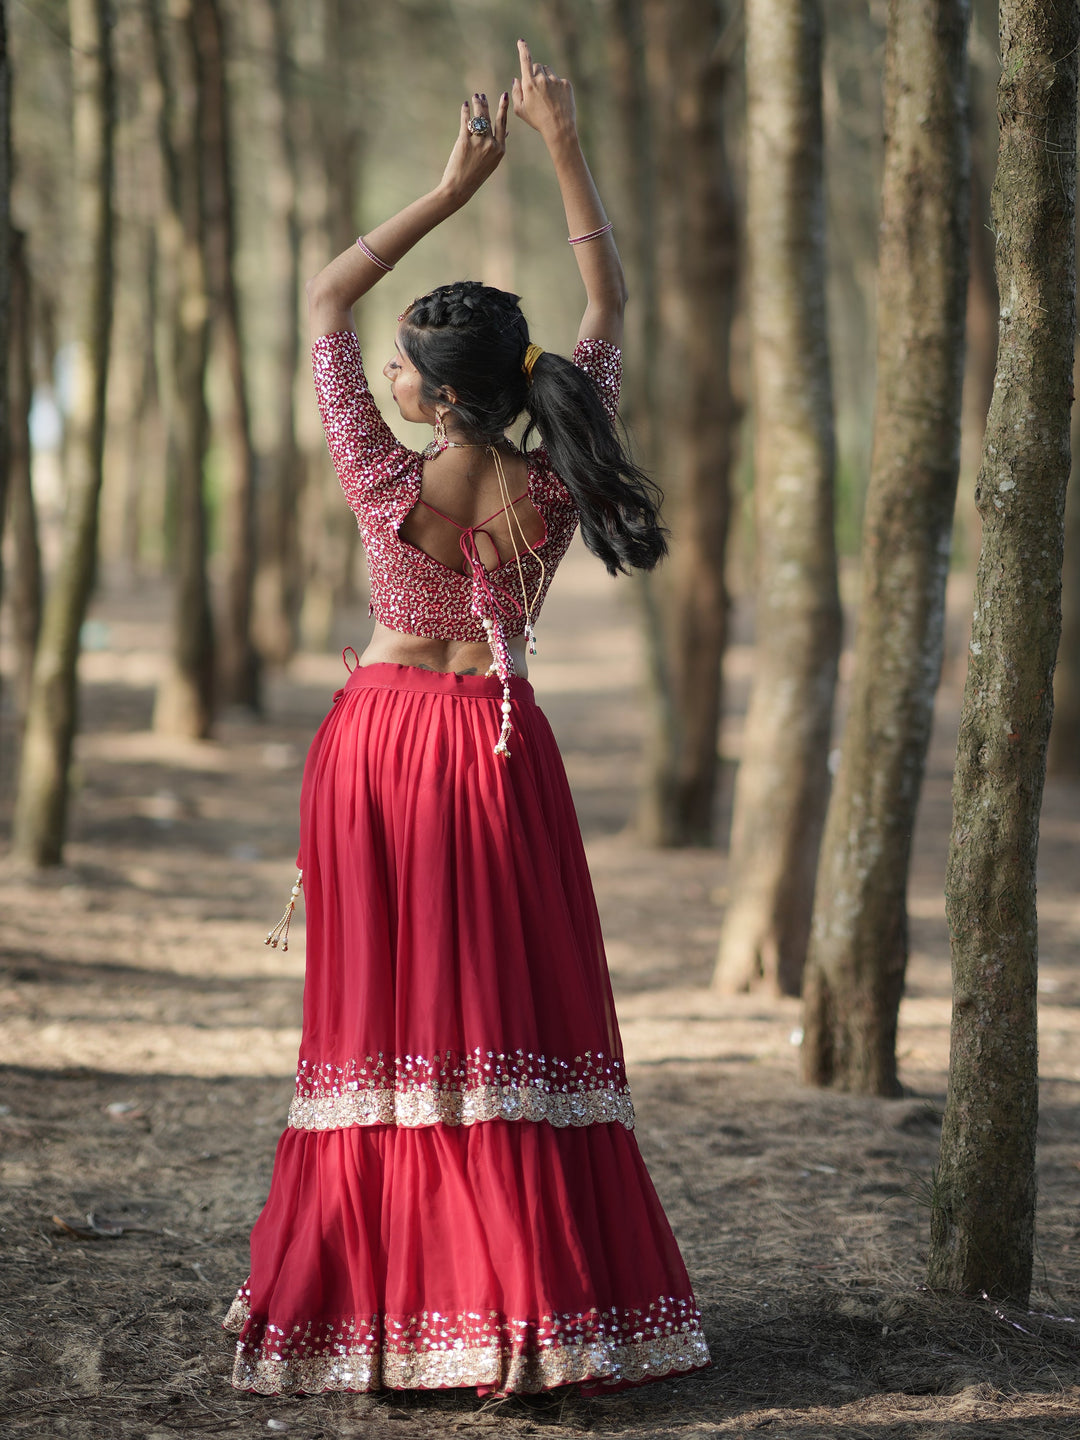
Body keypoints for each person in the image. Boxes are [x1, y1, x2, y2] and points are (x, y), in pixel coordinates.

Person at [224, 40, 709, 1398]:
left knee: (385, 1028)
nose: (381, 369)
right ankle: (533, 1314)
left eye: (402, 364)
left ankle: (389, 1312)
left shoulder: (382, 475)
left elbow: (327, 289)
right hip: (498, 746)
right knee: (505, 1018)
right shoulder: (558, 473)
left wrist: (453, 183)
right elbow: (610, 293)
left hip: (380, 748)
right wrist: (558, 141)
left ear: (432, 395)